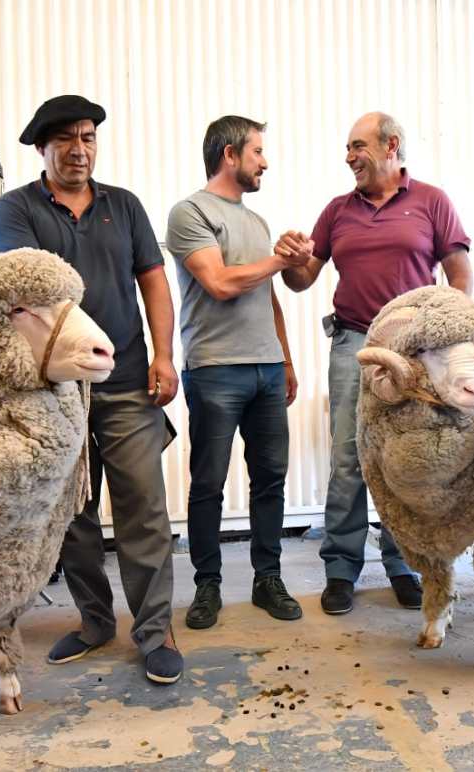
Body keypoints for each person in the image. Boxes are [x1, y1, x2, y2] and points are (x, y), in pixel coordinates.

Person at [0, 95, 182, 684]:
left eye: (88, 137)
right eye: (66, 140)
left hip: (125, 381)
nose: (80, 150)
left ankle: (154, 631)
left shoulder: (123, 206)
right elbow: (28, 290)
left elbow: (153, 281)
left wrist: (165, 355)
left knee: (143, 509)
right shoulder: (15, 209)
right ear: (41, 148)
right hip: (55, 393)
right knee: (69, 513)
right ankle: (95, 620)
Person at [276, 112, 472, 615]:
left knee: (405, 458)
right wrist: (293, 260)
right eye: (347, 148)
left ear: (391, 146)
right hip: (355, 347)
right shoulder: (337, 211)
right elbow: (301, 281)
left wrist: (451, 334)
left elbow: (459, 271)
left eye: (357, 146)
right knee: (350, 458)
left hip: (416, 351)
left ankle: (404, 563)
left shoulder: (431, 201)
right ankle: (341, 569)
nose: (349, 157)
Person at [165, 116, 306, 630]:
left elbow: (269, 296)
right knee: (209, 483)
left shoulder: (259, 223)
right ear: (229, 155)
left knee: (271, 480)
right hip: (216, 370)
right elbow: (221, 282)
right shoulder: (189, 213)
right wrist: (277, 259)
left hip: (266, 369)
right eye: (258, 152)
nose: (265, 162)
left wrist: (286, 359)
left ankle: (267, 577)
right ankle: (208, 584)